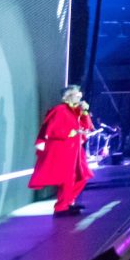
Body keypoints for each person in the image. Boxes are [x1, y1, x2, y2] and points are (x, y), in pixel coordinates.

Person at [29, 84, 95, 216]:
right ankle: (61, 207)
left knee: (82, 176)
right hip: (63, 149)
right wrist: (71, 132)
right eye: (77, 94)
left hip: (76, 149)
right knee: (67, 178)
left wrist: (85, 112)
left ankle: (69, 201)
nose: (80, 97)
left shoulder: (76, 111)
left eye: (80, 94)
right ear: (67, 96)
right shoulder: (59, 110)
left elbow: (87, 127)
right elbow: (52, 131)